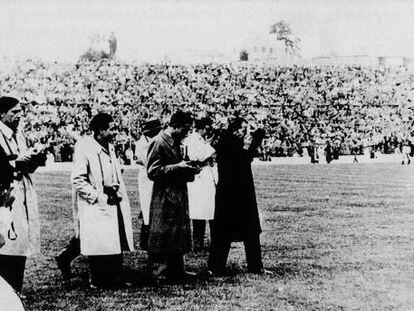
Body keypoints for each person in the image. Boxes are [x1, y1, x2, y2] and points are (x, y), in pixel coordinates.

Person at [71, 113, 134, 288]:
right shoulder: (84, 147)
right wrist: (97, 196)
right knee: (99, 241)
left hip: (113, 199)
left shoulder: (110, 146)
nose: (115, 132)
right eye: (112, 129)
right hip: (96, 202)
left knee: (114, 238)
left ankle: (115, 277)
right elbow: (78, 179)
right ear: (100, 130)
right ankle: (98, 280)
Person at [208, 117, 269, 276]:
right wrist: (246, 147)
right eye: (243, 129)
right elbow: (238, 162)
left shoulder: (233, 143)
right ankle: (216, 267)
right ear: (235, 130)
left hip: (241, 193)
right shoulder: (225, 145)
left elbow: (248, 153)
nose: (245, 133)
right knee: (224, 233)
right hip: (230, 194)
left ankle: (255, 266)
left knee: (250, 231)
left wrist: (258, 133)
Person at [146, 110, 200, 282]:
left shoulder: (177, 143)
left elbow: (178, 167)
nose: (187, 133)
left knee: (178, 232)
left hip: (178, 194)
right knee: (162, 232)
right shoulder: (158, 142)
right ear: (175, 125)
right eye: (185, 129)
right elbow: (153, 172)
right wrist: (178, 167)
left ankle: (177, 270)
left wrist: (190, 169)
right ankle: (159, 272)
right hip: (163, 195)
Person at [0, 96, 44, 292]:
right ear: (2, 113)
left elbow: (21, 162)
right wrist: (16, 163)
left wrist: (34, 160)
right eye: (14, 112)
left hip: (21, 188)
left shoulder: (18, 134)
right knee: (6, 241)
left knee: (20, 241)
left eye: (20, 112)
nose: (19, 116)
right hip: (4, 192)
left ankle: (15, 289)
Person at [183, 117, 217, 252]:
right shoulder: (193, 139)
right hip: (198, 176)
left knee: (208, 209)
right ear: (201, 128)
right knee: (199, 211)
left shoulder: (200, 140)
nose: (208, 132)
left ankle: (203, 241)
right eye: (207, 129)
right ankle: (197, 243)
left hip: (205, 176)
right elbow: (201, 156)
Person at [135, 118, 162, 250]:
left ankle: (150, 238)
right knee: (147, 207)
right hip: (146, 177)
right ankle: (145, 240)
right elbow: (148, 161)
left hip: (152, 175)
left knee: (153, 207)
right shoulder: (142, 143)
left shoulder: (152, 141)